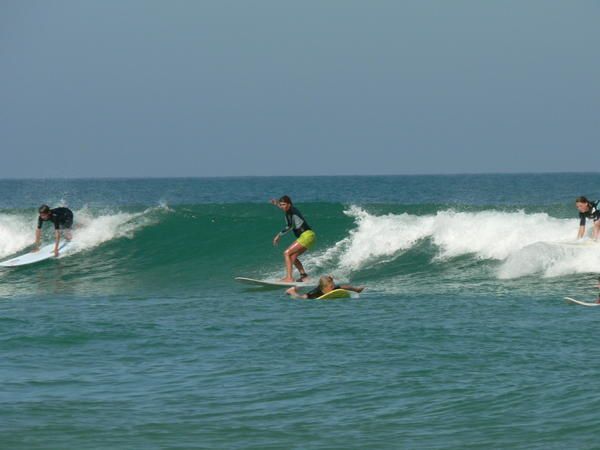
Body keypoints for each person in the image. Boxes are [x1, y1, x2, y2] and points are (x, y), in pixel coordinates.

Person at [271, 195, 316, 282]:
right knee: (292, 257)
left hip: (306, 235)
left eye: (284, 204)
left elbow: (290, 227)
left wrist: (278, 236)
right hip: (310, 236)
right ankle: (304, 276)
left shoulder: (291, 212)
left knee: (286, 253)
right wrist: (276, 203)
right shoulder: (291, 209)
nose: (282, 207)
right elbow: (282, 206)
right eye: (281, 205)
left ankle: (289, 278)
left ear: (289, 204)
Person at [286, 275, 365, 299]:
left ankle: (357, 289)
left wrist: (356, 289)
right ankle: (292, 289)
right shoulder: (315, 293)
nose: (333, 287)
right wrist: (293, 293)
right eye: (331, 286)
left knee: (341, 287)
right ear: (325, 287)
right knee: (299, 295)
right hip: (313, 294)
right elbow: (301, 297)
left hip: (324, 286)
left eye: (333, 285)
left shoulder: (333, 288)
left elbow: (345, 287)